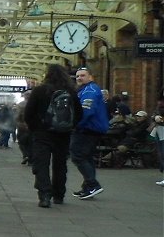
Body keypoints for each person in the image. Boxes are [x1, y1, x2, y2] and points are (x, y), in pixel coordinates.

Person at [24, 65, 82, 207]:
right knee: (60, 165)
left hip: (42, 134)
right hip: (63, 135)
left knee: (41, 165)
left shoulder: (39, 91)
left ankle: (44, 195)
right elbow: (79, 114)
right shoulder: (71, 92)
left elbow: (28, 113)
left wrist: (35, 129)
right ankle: (59, 195)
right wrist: (69, 127)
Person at [70, 66, 110, 199]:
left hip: (87, 128)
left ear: (90, 77)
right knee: (86, 157)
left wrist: (75, 125)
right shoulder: (84, 90)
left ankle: (93, 185)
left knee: (77, 155)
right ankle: (88, 187)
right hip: (90, 128)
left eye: (83, 75)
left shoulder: (90, 90)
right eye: (77, 76)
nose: (79, 78)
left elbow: (86, 111)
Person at [15, 92, 32, 164]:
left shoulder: (20, 105)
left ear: (24, 97)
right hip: (33, 126)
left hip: (22, 126)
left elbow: (17, 116)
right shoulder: (36, 104)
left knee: (21, 142)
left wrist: (18, 123)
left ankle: (25, 155)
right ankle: (31, 158)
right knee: (31, 143)